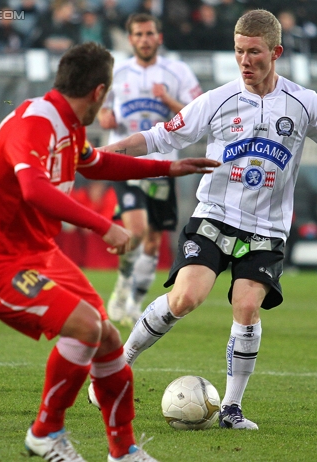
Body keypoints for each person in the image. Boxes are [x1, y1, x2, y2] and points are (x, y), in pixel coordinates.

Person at [98, 9, 317, 430]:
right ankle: (117, 366)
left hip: (267, 228)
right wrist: (102, 157)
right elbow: (162, 136)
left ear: (276, 52)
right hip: (215, 216)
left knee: (247, 306)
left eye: (254, 52)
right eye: (238, 52)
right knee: (185, 299)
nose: (245, 61)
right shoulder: (217, 100)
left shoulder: (304, 103)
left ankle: (232, 408)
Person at [0, 42, 218, 462]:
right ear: (98, 92)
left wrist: (168, 166)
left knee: (108, 338)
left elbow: (97, 163)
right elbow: (33, 188)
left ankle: (123, 451)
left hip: (36, 252)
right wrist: (102, 224)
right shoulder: (36, 121)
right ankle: (45, 433)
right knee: (86, 326)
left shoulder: (68, 123)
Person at [99, 13, 202, 327]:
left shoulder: (178, 71)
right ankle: (121, 285)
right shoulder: (116, 70)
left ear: (159, 37)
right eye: (138, 34)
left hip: (162, 167)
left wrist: (168, 99)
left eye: (149, 34)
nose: (144, 39)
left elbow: (198, 114)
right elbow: (103, 103)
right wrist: (104, 114)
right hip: (126, 164)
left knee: (154, 241)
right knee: (138, 230)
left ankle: (132, 304)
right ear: (130, 39)